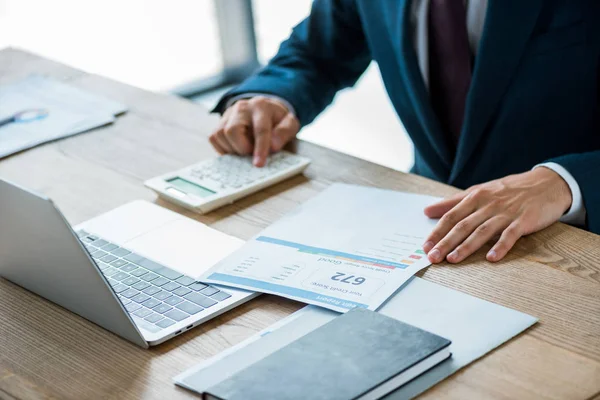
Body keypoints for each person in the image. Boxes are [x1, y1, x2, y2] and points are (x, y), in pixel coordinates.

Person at [209, 0, 600, 264]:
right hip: (432, 227)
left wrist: (566, 182)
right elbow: (319, 52)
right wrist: (270, 96)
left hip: (570, 242)